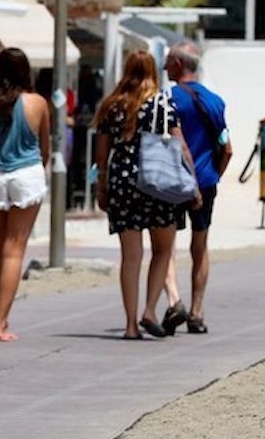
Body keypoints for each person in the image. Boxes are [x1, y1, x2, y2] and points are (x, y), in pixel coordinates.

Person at [93, 50, 200, 340]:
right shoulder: (162, 104)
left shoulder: (111, 105)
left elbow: (100, 155)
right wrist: (194, 185)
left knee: (131, 256)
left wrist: (100, 186)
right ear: (153, 71)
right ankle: (150, 310)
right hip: (158, 179)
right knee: (163, 250)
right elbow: (182, 147)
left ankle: (129, 326)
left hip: (122, 181)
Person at [0, 47, 50, 342]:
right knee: (15, 249)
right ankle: (1, 322)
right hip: (26, 175)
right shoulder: (37, 103)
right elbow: (44, 147)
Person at [161, 42, 232, 335]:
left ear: (178, 65)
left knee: (164, 246)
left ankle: (174, 299)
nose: (165, 68)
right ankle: (197, 311)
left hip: (171, 180)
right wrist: (213, 176)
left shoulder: (166, 98)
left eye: (167, 63)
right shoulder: (215, 101)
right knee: (200, 246)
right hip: (205, 180)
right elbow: (227, 149)